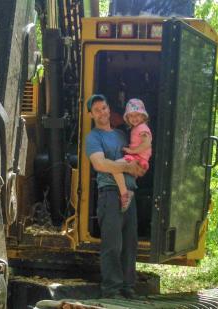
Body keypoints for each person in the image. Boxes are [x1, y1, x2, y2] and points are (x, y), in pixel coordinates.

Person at [85, 94, 146, 299]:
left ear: (109, 109)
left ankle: (128, 287)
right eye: (97, 110)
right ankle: (111, 291)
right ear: (91, 114)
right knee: (113, 244)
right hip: (110, 195)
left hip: (130, 192)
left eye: (104, 108)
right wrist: (125, 166)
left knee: (130, 243)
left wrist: (136, 168)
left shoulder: (121, 135)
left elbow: (135, 161)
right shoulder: (93, 137)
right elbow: (100, 164)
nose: (102, 112)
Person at [112, 98, 152, 212]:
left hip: (138, 159)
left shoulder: (143, 128)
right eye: (131, 116)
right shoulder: (137, 128)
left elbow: (146, 144)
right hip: (138, 159)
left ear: (143, 116)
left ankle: (125, 194)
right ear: (127, 118)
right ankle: (127, 193)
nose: (134, 118)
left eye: (137, 115)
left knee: (115, 166)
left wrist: (131, 151)